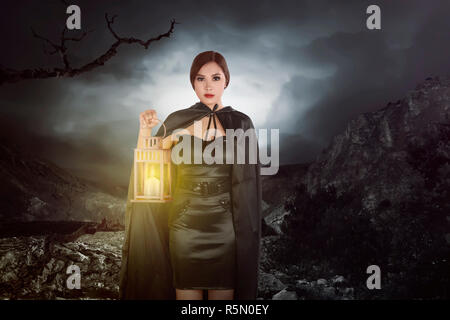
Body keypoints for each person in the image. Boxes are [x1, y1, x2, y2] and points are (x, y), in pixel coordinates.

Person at [119, 51, 261, 300]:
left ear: (226, 81)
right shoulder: (176, 120)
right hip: (185, 226)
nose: (208, 85)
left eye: (215, 78)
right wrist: (145, 131)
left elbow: (248, 184)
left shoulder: (241, 123)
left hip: (225, 228)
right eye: (200, 78)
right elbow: (148, 165)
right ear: (192, 82)